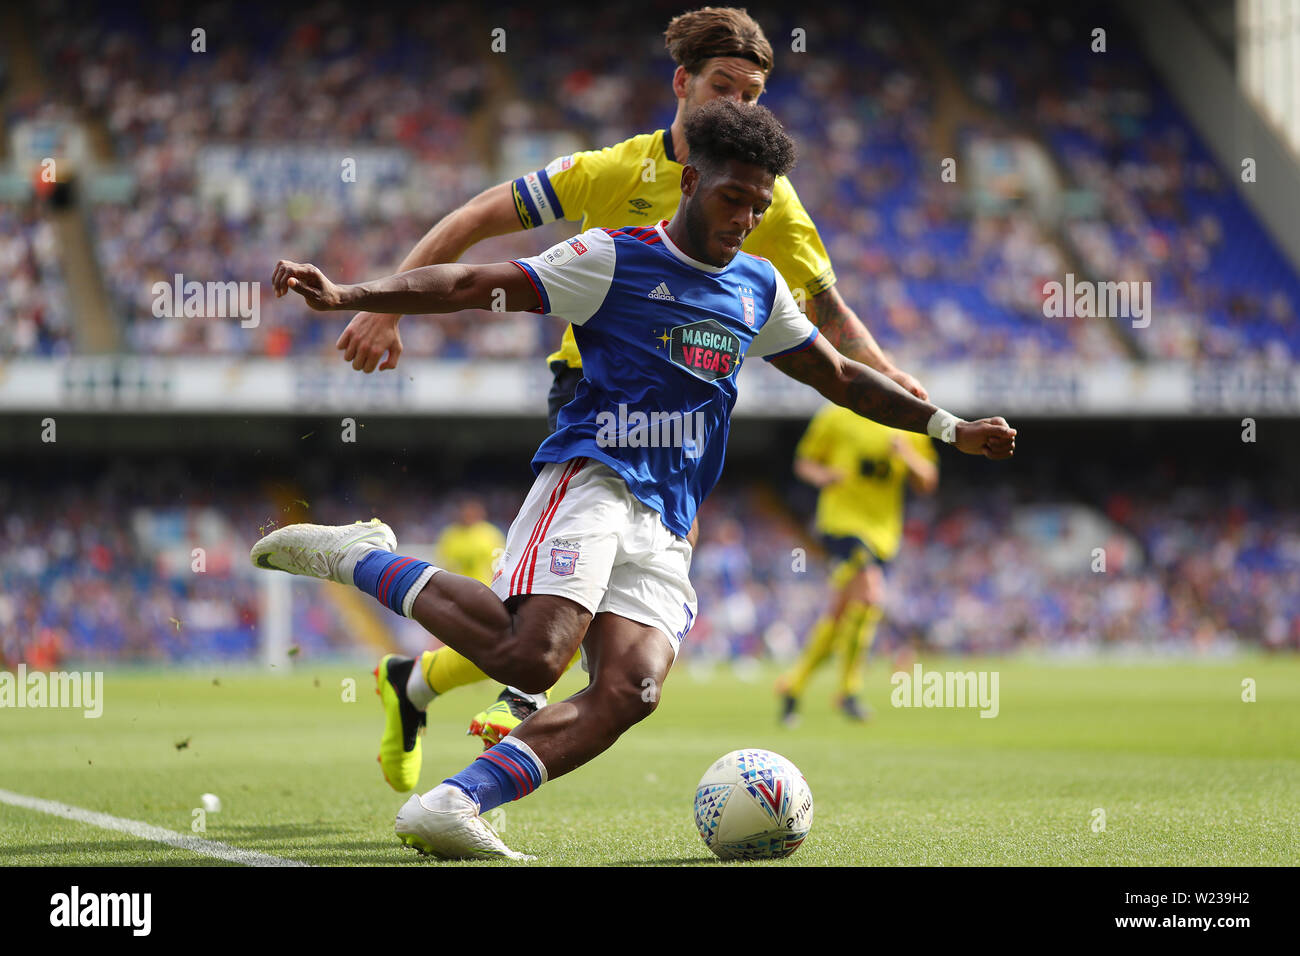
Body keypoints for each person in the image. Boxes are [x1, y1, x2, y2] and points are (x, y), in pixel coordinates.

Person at [254, 100, 1015, 860]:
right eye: (732, 197)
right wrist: (351, 295)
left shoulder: (757, 288)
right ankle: (356, 555)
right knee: (535, 657)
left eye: (759, 204)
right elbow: (469, 283)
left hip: (669, 517)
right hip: (594, 476)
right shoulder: (611, 259)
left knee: (632, 690)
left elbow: (845, 378)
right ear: (690, 181)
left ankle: (455, 802)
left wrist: (949, 426)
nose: (746, 218)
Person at [337, 6, 931, 776]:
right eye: (723, 87)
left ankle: (413, 682)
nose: (736, 107)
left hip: (685, 423)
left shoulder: (767, 198)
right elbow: (481, 215)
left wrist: (890, 377)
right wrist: (383, 307)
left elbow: (827, 309)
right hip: (594, 391)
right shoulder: (613, 171)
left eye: (751, 95)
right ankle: (512, 704)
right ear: (682, 84)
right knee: (567, 613)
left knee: (601, 610)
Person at [777, 406, 938, 726]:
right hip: (841, 524)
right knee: (870, 596)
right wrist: (824, 475)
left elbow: (928, 480)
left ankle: (792, 686)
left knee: (840, 614)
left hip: (884, 533)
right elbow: (804, 463)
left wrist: (906, 453)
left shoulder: (906, 419)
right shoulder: (836, 415)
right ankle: (848, 691)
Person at [375, 497, 505, 787]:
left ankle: (517, 693)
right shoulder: (451, 537)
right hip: (459, 594)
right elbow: (446, 565)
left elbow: (498, 562)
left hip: (488, 594)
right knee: (483, 643)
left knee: (498, 642)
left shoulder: (490, 535)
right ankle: (518, 694)